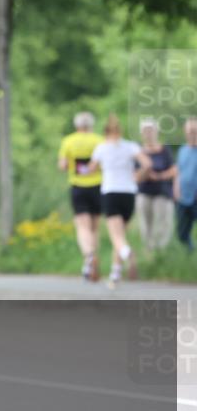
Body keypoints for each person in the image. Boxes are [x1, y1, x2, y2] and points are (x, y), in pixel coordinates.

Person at [86, 114, 151, 287]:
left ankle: (128, 254)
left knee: (116, 236)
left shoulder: (101, 147)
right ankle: (115, 274)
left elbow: (91, 169)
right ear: (120, 132)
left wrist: (93, 168)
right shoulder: (131, 146)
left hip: (111, 192)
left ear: (106, 132)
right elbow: (147, 164)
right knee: (121, 234)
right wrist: (137, 176)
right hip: (129, 193)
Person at [57, 111, 105, 281]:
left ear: (77, 125)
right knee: (94, 227)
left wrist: (72, 164)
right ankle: (93, 259)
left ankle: (89, 256)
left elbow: (62, 165)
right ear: (91, 125)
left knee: (82, 226)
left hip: (78, 187)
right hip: (98, 186)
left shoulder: (68, 141)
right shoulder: (99, 141)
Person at [135, 118, 176, 253]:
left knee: (162, 223)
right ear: (142, 133)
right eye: (146, 131)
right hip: (144, 191)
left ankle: (161, 252)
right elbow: (134, 175)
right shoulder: (138, 151)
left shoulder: (165, 150)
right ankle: (148, 251)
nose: (149, 133)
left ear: (156, 132)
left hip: (162, 192)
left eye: (151, 130)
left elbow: (174, 169)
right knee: (145, 224)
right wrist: (146, 172)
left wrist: (159, 176)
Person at [175, 117, 197, 252]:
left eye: (194, 130)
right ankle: (190, 252)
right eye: (189, 131)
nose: (192, 133)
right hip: (183, 197)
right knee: (182, 232)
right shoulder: (182, 150)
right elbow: (179, 172)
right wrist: (176, 188)